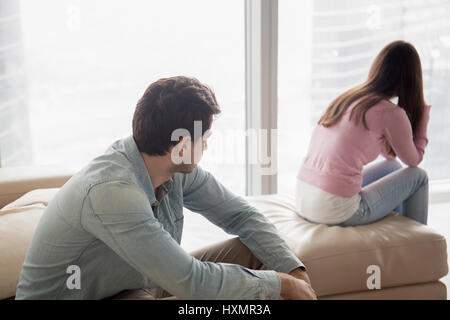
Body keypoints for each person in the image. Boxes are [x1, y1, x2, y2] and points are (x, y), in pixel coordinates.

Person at [16, 76, 316, 300]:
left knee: (255, 254)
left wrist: (294, 272)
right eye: (206, 137)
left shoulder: (172, 167)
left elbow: (241, 215)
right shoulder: (113, 191)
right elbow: (189, 280)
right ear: (183, 145)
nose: (208, 146)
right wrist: (281, 286)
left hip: (129, 287)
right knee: (257, 291)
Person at [296, 40, 431, 227]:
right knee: (419, 176)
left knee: (392, 167)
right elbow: (414, 160)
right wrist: (423, 118)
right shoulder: (391, 113)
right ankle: (417, 239)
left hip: (305, 198)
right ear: (411, 79)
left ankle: (399, 230)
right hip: (335, 210)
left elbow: (388, 155)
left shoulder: (350, 98)